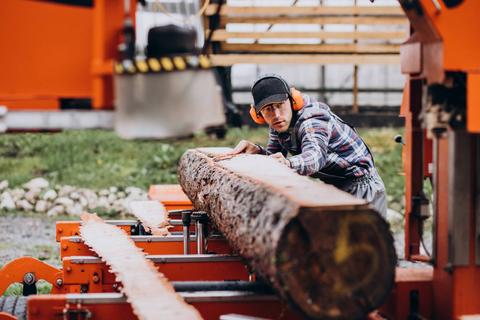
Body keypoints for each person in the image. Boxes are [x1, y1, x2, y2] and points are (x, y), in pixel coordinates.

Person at [223, 74, 387, 217]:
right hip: (337, 185)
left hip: (362, 187)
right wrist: (257, 151)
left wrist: (288, 163)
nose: (276, 114)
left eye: (280, 105)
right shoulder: (279, 123)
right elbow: (274, 159)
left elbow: (315, 157)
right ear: (258, 115)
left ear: (293, 101)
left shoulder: (312, 119)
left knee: (363, 248)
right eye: (268, 110)